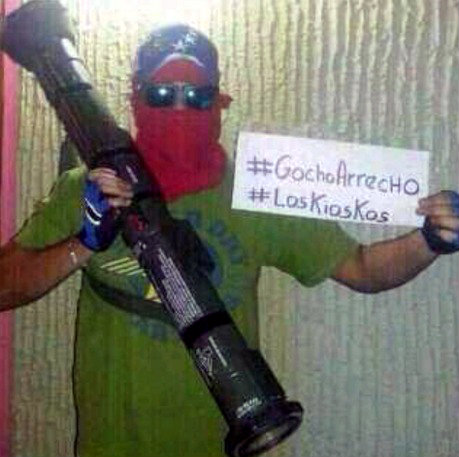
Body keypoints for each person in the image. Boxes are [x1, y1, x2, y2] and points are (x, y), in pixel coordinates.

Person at [1, 24, 459, 457]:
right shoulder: (86, 190)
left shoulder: (258, 196)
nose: (179, 108)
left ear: (219, 102)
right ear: (135, 98)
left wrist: (430, 240)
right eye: (162, 94)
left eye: (196, 95)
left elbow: (362, 268)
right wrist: (83, 243)